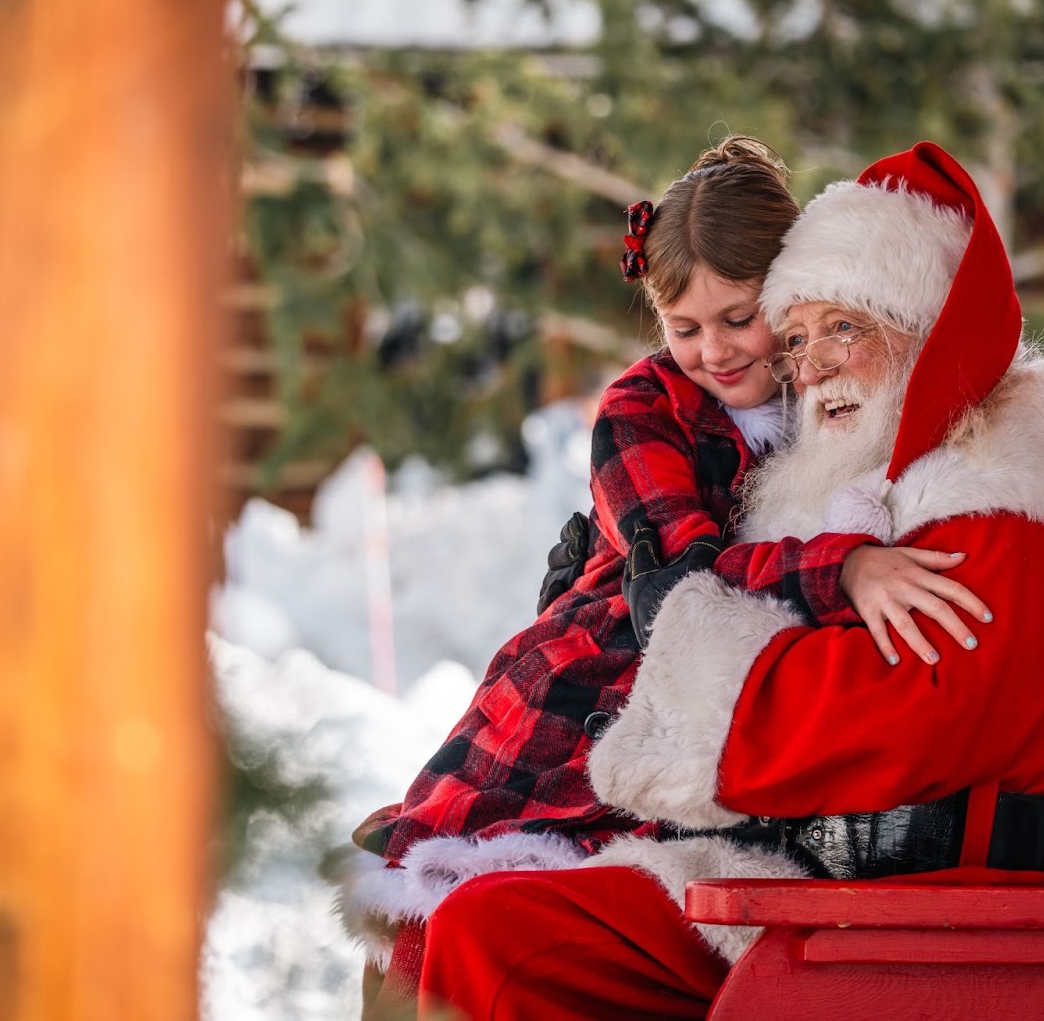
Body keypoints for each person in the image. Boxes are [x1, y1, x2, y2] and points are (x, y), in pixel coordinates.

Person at [411, 142, 1044, 1020]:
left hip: (948, 921)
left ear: (926, 320)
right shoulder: (901, 478)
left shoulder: (1005, 491)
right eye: (798, 339)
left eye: (843, 327)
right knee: (479, 929)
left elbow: (897, 715)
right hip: (842, 892)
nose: (811, 368)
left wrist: (701, 690)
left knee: (498, 943)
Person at [339, 138, 994, 1006]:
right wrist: (844, 569)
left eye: (739, 319)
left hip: (700, 728)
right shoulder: (642, 411)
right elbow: (682, 581)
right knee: (458, 929)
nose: (714, 352)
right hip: (583, 708)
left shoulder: (832, 400)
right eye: (684, 328)